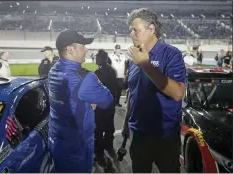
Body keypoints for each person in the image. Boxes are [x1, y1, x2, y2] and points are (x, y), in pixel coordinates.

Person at [122, 8, 186, 173]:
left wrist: (146, 65)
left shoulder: (170, 54)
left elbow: (178, 93)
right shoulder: (135, 57)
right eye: (131, 30)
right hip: (138, 134)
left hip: (164, 135)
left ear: (151, 29)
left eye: (136, 30)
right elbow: (134, 94)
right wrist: (126, 125)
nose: (132, 34)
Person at [47, 30, 114, 173]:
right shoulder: (86, 78)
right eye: (82, 46)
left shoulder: (53, 70)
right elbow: (108, 100)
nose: (86, 49)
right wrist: (97, 82)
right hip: (77, 146)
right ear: (70, 49)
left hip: (56, 139)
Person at [94, 49, 117, 166]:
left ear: (103, 58)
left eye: (97, 57)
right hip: (110, 103)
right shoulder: (111, 70)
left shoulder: (101, 72)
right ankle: (109, 145)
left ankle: (99, 153)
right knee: (109, 126)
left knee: (98, 129)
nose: (95, 59)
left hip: (101, 105)